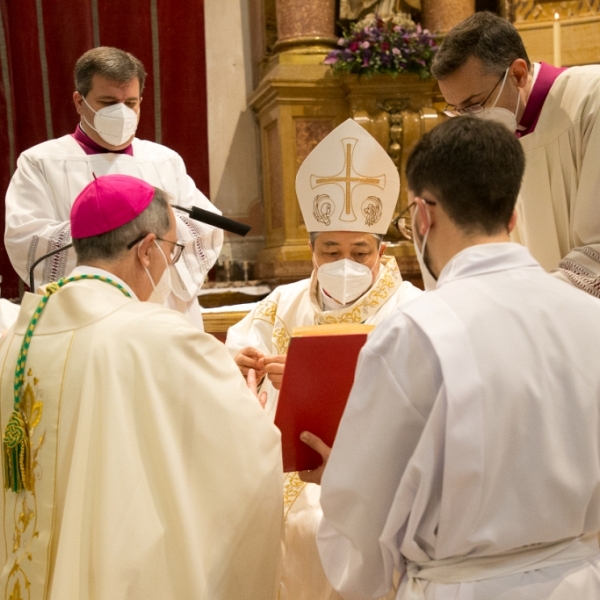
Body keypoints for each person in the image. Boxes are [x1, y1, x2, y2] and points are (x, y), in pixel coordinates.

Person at [304, 117, 600, 599]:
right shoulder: (592, 317)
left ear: (422, 215)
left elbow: (362, 512)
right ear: (512, 216)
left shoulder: (416, 332)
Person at [0, 174, 282, 599]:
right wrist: (256, 415)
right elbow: (238, 459)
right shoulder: (159, 334)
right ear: (148, 250)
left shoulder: (21, 333)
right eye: (172, 251)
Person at [226, 118, 421, 600]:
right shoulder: (280, 305)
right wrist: (239, 368)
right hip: (277, 477)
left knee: (320, 532)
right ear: (311, 251)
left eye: (360, 251)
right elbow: (231, 374)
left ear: (381, 250)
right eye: (330, 250)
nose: (346, 263)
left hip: (367, 482)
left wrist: (310, 384)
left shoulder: (414, 311)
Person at [4, 46, 222, 329]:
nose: (121, 112)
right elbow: (27, 239)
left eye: (130, 103)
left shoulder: (164, 160)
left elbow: (204, 230)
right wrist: (116, 233)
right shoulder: (41, 162)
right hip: (86, 318)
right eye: (108, 102)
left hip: (166, 317)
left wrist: (151, 232)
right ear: (79, 102)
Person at [430, 11, 600, 298]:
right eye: (455, 110)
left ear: (518, 74)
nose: (468, 120)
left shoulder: (591, 99)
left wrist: (524, 301)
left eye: (473, 104)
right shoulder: (493, 137)